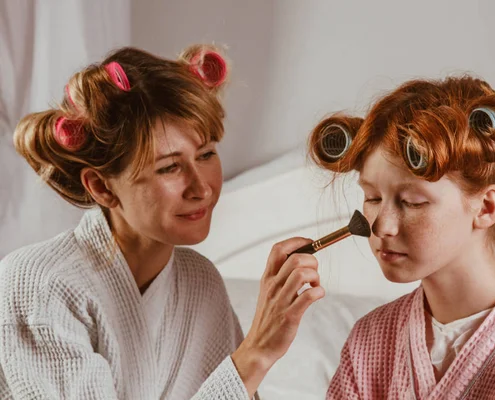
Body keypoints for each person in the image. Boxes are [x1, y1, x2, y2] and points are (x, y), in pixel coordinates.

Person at [0, 44, 324, 400]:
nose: (201, 188)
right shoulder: (38, 283)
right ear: (102, 187)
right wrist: (256, 352)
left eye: (206, 154)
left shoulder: (201, 284)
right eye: (169, 167)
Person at [308, 76, 495, 399]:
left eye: (412, 202)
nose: (381, 227)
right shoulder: (371, 339)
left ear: (486, 207)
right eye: (373, 198)